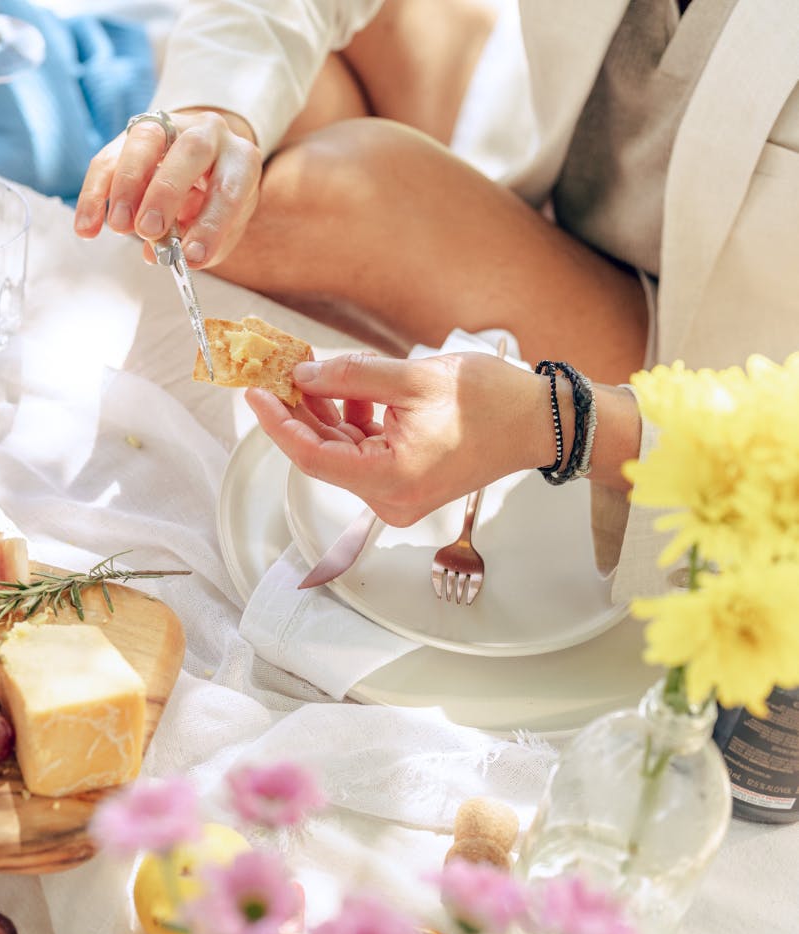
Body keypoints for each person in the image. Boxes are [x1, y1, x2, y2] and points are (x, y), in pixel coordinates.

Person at [75, 0, 799, 597]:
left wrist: (563, 423)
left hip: (708, 366)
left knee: (291, 204)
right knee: (286, 95)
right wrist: (217, 111)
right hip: (557, 161)